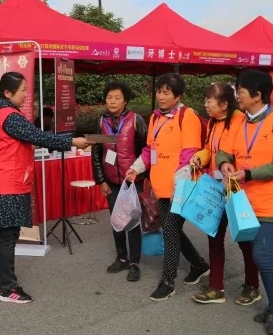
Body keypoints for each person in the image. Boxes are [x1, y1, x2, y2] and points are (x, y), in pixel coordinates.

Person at [0, 71, 92, 304]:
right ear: (7, 93)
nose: (25, 96)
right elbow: (39, 137)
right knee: (7, 237)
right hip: (10, 183)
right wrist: (72, 141)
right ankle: (8, 289)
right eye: (22, 91)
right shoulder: (9, 116)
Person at [217, 70, 273, 335]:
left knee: (263, 254)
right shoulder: (239, 122)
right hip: (245, 203)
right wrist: (226, 163)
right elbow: (223, 150)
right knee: (257, 255)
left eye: (240, 90)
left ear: (257, 95)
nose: (237, 94)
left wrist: (249, 173)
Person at [125, 73, 209, 301]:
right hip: (160, 188)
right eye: (159, 92)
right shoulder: (155, 118)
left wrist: (177, 188)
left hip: (178, 189)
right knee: (173, 231)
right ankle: (199, 264)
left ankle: (168, 281)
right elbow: (149, 150)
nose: (160, 97)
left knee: (170, 232)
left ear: (178, 95)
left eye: (166, 92)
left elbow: (189, 154)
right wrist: (136, 168)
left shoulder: (187, 116)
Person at [188, 82, 261, 306]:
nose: (206, 105)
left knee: (245, 240)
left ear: (224, 104)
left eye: (209, 101)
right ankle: (216, 286)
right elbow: (211, 149)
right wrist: (200, 156)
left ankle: (252, 286)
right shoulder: (212, 122)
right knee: (214, 236)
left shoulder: (241, 121)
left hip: (237, 189)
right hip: (216, 189)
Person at [91, 80, 147, 282]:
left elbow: (145, 151)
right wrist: (101, 181)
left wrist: (142, 176)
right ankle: (121, 257)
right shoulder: (101, 122)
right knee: (117, 221)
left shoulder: (135, 120)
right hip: (111, 181)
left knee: (131, 222)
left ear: (125, 100)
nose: (112, 101)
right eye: (109, 97)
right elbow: (96, 153)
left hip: (132, 180)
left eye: (117, 98)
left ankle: (134, 262)